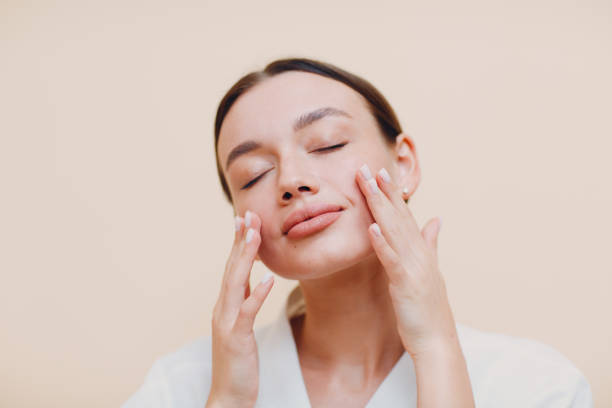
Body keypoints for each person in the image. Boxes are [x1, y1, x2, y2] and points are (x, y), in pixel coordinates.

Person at [122, 58, 593, 407]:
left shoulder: (539, 386)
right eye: (253, 175)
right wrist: (228, 397)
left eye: (328, 143)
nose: (291, 181)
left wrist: (436, 351)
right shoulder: (178, 387)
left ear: (403, 164)